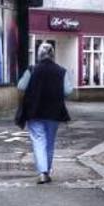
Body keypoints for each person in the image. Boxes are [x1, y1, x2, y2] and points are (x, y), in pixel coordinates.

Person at [15, 44, 71, 183]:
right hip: (54, 112)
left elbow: (21, 86)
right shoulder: (61, 71)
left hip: (34, 111)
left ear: (39, 55)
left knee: (38, 140)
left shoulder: (32, 70)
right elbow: (68, 91)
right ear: (53, 55)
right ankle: (47, 170)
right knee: (50, 142)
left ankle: (43, 172)